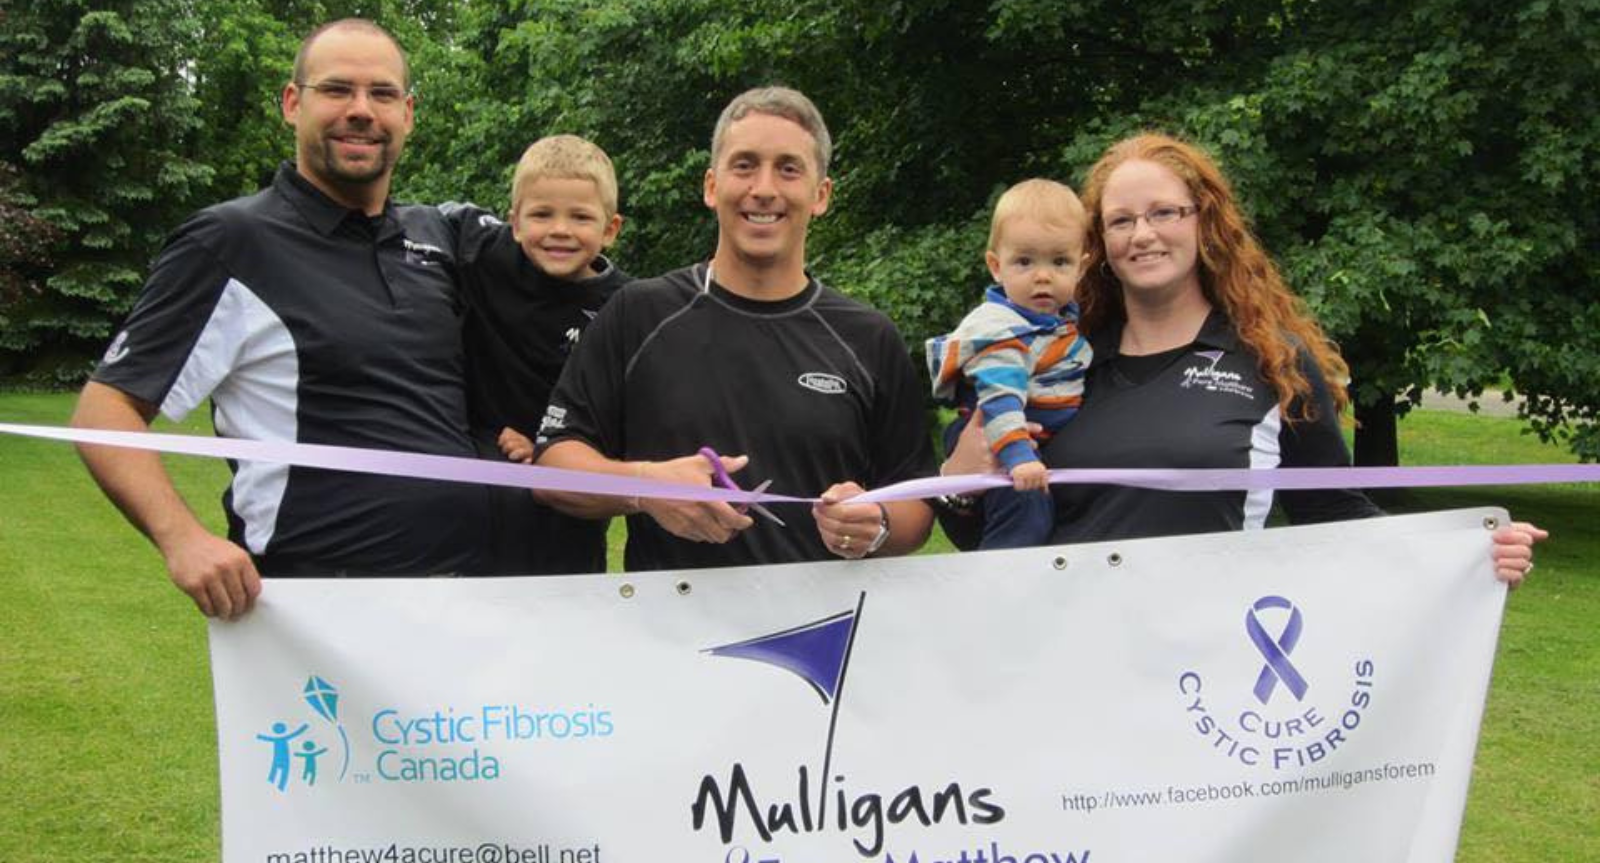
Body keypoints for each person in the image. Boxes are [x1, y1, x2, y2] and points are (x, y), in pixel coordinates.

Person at [937, 133, 1545, 584]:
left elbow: (1329, 508)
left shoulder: (1270, 359)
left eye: (1164, 213)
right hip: (1061, 662)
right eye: (1120, 220)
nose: (1142, 233)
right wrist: (959, 479)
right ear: (1098, 242)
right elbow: (984, 533)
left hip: (1202, 670)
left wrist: (1469, 549)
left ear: (1206, 222)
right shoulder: (1062, 358)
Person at [70, 18, 491, 619]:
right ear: (294, 104)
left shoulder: (435, 239)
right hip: (312, 606)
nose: (362, 111)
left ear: (408, 114)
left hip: (463, 593)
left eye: (382, 94)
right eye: (337, 89)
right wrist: (182, 539)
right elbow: (104, 411)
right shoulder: (230, 242)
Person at [535, 86, 936, 571]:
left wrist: (878, 524)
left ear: (821, 195)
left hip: (823, 634)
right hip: (662, 634)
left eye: (788, 168)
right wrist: (644, 488)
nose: (764, 188)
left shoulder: (868, 338)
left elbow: (918, 504)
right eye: (744, 165)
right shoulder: (638, 314)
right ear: (711, 185)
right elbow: (554, 465)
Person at [444, 135, 630, 574]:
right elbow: (430, 221)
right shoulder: (485, 254)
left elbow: (626, 419)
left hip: (567, 522)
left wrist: (548, 446)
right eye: (542, 214)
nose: (560, 230)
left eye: (580, 216)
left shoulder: (625, 309)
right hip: (473, 494)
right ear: (515, 222)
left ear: (610, 228)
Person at [925, 179, 1091, 549]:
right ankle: (1003, 579)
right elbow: (1001, 397)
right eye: (1025, 261)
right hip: (998, 437)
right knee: (1026, 511)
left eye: (1060, 261)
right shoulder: (1002, 330)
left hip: (1023, 437)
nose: (1043, 275)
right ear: (996, 266)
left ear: (1081, 267)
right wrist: (1018, 458)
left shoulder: (1055, 324)